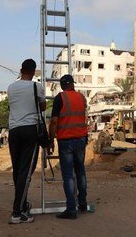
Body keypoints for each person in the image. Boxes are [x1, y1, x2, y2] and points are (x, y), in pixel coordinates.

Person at [7, 59, 46, 224]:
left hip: (13, 130)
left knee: (17, 171)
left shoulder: (11, 87)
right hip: (30, 130)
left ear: (21, 70)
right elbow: (43, 107)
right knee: (26, 172)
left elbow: (13, 107)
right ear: (33, 71)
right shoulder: (36, 86)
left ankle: (22, 205)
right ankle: (17, 212)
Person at [48, 74, 88, 220]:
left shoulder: (60, 98)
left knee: (68, 176)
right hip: (80, 139)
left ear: (62, 86)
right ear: (72, 84)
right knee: (80, 171)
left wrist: (50, 140)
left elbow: (53, 122)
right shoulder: (81, 98)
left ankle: (71, 209)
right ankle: (82, 203)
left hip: (66, 141)